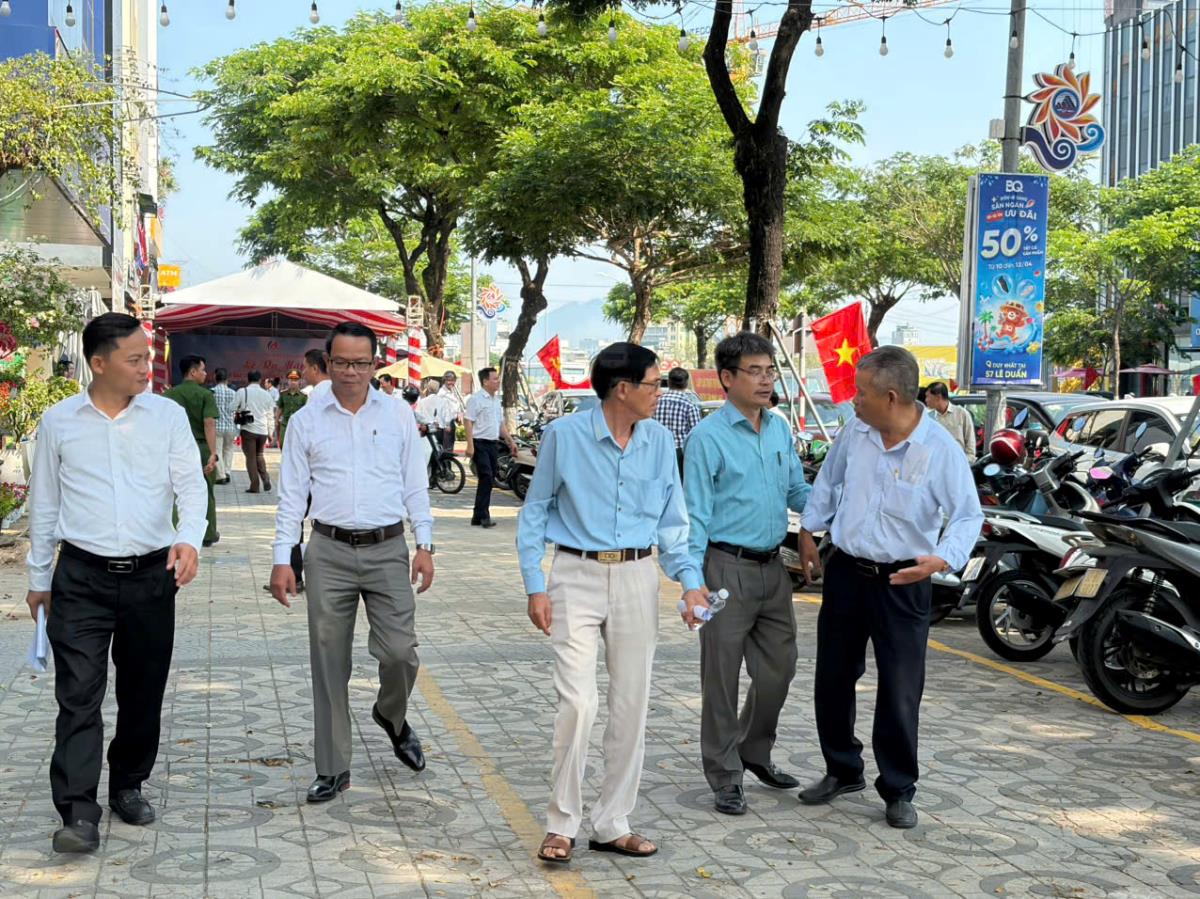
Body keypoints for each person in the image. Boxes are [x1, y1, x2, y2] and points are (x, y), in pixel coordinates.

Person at [517, 343, 706, 864]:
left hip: (638, 576)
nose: (659, 392)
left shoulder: (660, 440)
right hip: (574, 575)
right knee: (578, 703)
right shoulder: (565, 435)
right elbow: (536, 510)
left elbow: (673, 523)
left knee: (631, 703)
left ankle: (612, 822)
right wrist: (535, 584)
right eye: (653, 383)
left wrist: (689, 583)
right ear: (623, 388)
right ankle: (562, 823)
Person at [25, 312, 206, 854]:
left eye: (147, 357)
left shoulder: (167, 416)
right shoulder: (59, 422)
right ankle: (78, 811)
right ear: (98, 363)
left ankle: (128, 783)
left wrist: (189, 539)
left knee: (142, 690)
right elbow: (45, 504)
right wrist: (39, 578)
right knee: (78, 694)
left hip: (152, 576)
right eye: (134, 359)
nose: (146, 368)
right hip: (80, 577)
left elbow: (191, 486)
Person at [798, 346, 983, 829]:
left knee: (900, 687)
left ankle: (898, 788)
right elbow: (828, 481)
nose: (854, 400)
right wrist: (809, 530)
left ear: (892, 397)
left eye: (861, 393)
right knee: (834, 676)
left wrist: (943, 558)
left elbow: (968, 514)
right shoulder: (856, 432)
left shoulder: (939, 449)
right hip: (847, 572)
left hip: (904, 581)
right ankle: (842, 768)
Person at [270, 322, 434, 803]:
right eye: (341, 362)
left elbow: (415, 484)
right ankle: (332, 767)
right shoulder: (306, 421)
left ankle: (391, 715)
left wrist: (425, 544)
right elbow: (291, 497)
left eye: (361, 363)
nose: (350, 372)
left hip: (388, 548)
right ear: (328, 362)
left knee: (400, 652)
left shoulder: (398, 414)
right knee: (328, 661)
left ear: (374, 364)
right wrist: (283, 558)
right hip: (328, 551)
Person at [682, 333, 811, 816]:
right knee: (721, 677)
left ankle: (754, 749)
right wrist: (691, 583)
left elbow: (797, 491)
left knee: (779, 669)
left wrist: (836, 508)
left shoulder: (778, 429)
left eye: (770, 370)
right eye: (754, 371)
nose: (765, 379)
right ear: (727, 378)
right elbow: (695, 514)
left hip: (773, 569)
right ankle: (724, 773)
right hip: (724, 569)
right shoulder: (708, 438)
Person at [163, 355, 221, 547]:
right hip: (200, 447)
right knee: (205, 490)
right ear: (193, 372)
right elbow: (209, 423)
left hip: (175, 448)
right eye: (203, 370)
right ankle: (208, 533)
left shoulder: (169, 395)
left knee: (176, 491)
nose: (205, 374)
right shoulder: (205, 395)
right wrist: (213, 453)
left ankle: (175, 530)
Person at [465, 367, 516, 528]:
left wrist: (510, 441)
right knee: (486, 476)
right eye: (494, 379)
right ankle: (484, 515)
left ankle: (477, 515)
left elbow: (500, 424)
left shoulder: (496, 400)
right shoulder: (476, 399)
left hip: (493, 444)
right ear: (485, 381)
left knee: (490, 478)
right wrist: (470, 445)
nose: (498, 381)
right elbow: (468, 421)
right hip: (479, 443)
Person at [653, 366, 701, 478]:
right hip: (680, 454)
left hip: (657, 450)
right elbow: (696, 435)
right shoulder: (690, 406)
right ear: (686, 384)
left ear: (668, 382)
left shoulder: (655, 403)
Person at [235, 371, 276, 494]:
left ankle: (255, 486)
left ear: (248, 379)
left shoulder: (242, 392)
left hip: (248, 429)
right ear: (260, 380)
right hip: (263, 430)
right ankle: (265, 477)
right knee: (259, 454)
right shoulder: (266, 394)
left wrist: (241, 409)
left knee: (251, 458)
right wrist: (271, 432)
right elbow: (270, 415)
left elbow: (232, 407)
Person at [924, 381, 976, 462]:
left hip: (958, 464)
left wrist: (964, 462)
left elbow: (970, 446)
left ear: (938, 397)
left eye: (928, 397)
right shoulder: (928, 418)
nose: (926, 400)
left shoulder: (961, 414)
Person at [212, 368, 238, 485]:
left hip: (217, 426)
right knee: (228, 449)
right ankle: (227, 472)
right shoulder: (233, 393)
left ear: (215, 378)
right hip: (230, 426)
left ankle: (220, 475)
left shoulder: (211, 392)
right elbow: (236, 409)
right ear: (227, 379)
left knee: (217, 450)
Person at [277, 370, 308, 449]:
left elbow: (306, 411)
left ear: (299, 381)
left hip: (298, 424)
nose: (293, 382)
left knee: (296, 445)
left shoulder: (303, 396)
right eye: (291, 380)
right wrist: (276, 420)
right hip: (285, 423)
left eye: (295, 380)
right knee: (282, 443)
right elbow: (280, 408)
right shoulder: (283, 394)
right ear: (288, 381)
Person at [434, 372, 462, 454]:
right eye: (449, 380)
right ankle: (445, 462)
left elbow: (455, 407)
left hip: (451, 422)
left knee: (450, 447)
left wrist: (458, 414)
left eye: (453, 380)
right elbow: (441, 411)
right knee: (446, 449)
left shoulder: (453, 391)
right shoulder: (442, 393)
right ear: (444, 381)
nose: (451, 382)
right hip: (445, 424)